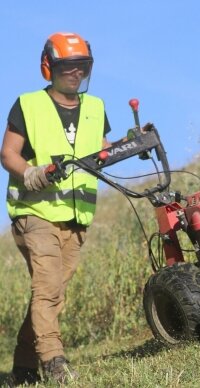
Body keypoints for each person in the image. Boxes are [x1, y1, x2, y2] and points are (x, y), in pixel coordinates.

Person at [1, 32, 111, 385]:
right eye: (67, 67)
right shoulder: (28, 104)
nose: (75, 74)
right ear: (49, 68)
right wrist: (31, 173)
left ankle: (21, 369)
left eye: (81, 67)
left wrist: (122, 149)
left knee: (53, 296)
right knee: (47, 290)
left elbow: (102, 148)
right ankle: (54, 364)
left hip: (76, 216)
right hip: (35, 212)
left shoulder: (95, 108)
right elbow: (7, 154)